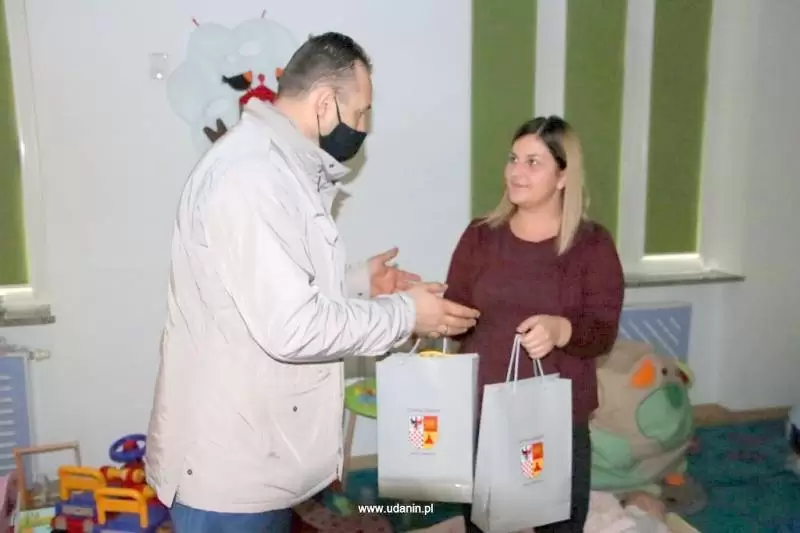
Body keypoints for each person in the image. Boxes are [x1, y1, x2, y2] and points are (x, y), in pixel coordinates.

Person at [145, 32, 480, 533]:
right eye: (360, 113)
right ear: (325, 103)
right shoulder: (253, 176)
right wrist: (408, 314)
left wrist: (359, 283)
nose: (362, 128)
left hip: (256, 451)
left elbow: (266, 290)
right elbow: (293, 326)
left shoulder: (274, 167)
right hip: (232, 472)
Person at [445, 116, 624, 532]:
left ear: (563, 177)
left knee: (559, 524)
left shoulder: (592, 245)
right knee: (484, 523)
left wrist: (561, 330)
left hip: (557, 417)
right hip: (484, 409)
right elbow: (459, 316)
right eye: (513, 159)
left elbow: (602, 331)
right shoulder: (480, 236)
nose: (516, 172)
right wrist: (431, 313)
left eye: (533, 162)